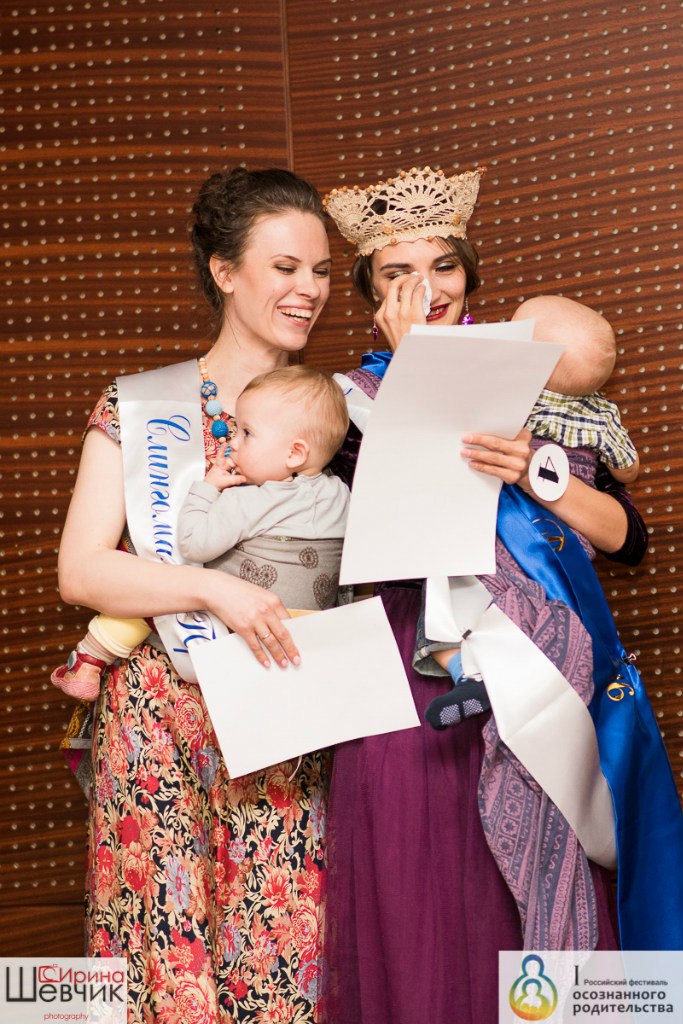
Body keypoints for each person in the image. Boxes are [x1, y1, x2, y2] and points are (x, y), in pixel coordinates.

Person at [321, 165, 680, 1024]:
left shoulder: (539, 383)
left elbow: (626, 540)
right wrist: (416, 376)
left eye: (442, 265)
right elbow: (387, 543)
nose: (427, 288)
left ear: (470, 272)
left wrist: (534, 469)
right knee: (444, 904)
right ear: (371, 295)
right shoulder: (345, 408)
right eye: (398, 273)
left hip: (549, 672)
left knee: (554, 888)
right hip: (424, 687)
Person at [57, 167, 336, 1022]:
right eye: (284, 267)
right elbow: (82, 571)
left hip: (284, 714)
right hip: (159, 719)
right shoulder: (139, 407)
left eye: (322, 270)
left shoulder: (335, 417)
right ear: (224, 271)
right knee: (162, 949)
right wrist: (215, 589)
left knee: (285, 954)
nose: (308, 288)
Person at [52, 364, 350, 702]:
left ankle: (89, 658)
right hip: (298, 658)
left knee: (156, 595)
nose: (233, 442)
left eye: (246, 433)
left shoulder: (247, 501)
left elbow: (193, 543)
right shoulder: (342, 496)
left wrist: (208, 488)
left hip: (224, 641)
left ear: (295, 453)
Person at [424, 292, 641, 729]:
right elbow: (628, 469)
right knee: (544, 612)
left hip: (506, 542)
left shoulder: (505, 397)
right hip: (564, 550)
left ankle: (467, 672)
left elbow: (632, 540)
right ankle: (522, 675)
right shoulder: (602, 414)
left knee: (451, 601)